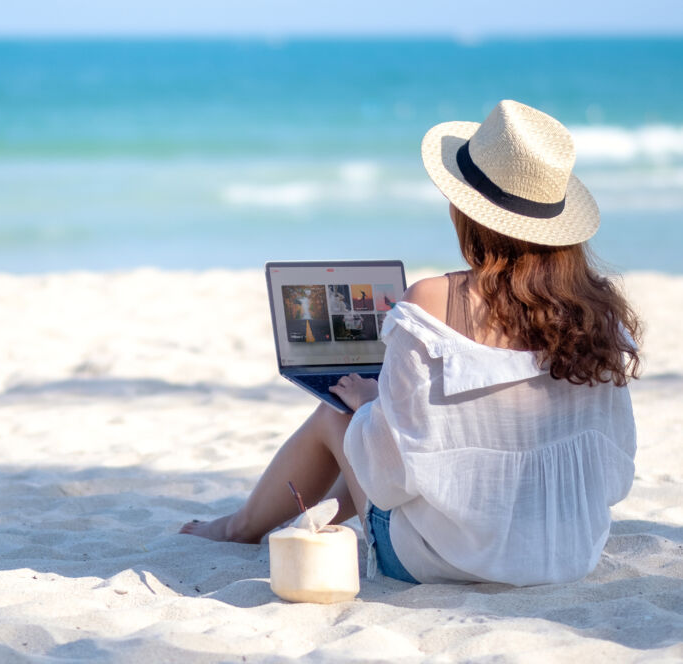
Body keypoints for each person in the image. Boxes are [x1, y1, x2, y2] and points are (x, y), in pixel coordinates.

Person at [181, 100, 640, 586]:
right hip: (568, 552)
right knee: (372, 420)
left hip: (445, 561)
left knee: (337, 415)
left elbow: (389, 478)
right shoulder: (598, 309)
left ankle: (238, 528)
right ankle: (300, 518)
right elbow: (615, 472)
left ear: (466, 210)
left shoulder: (431, 300)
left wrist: (366, 407)